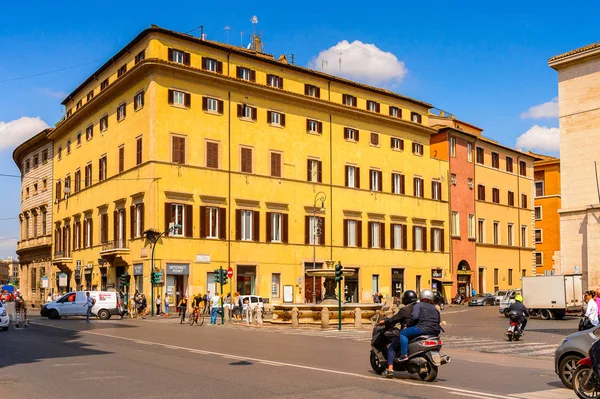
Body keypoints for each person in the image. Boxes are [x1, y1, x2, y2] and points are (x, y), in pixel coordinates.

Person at [379, 290, 418, 378]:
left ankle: (390, 369)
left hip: (408, 332)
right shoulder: (419, 307)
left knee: (391, 347)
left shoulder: (405, 310)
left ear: (406, 299)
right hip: (419, 331)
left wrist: (384, 321)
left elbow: (394, 319)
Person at [396, 290, 441, 366]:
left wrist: (408, 325)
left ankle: (404, 355)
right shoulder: (435, 308)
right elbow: (438, 319)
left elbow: (415, 317)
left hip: (422, 328)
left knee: (403, 333)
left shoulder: (419, 305)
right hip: (436, 331)